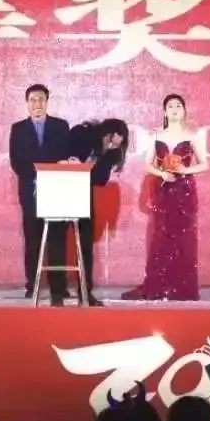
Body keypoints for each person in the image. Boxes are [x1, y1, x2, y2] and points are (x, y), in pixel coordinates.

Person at [123, 93, 207, 301]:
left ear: (184, 111)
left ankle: (183, 288)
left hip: (185, 191)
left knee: (184, 238)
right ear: (165, 112)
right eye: (171, 106)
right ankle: (159, 286)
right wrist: (162, 173)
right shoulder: (157, 136)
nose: (175, 109)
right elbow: (148, 164)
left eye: (178, 106)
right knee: (161, 237)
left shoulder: (192, 136)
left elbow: (205, 164)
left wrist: (184, 170)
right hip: (164, 191)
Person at [8, 83, 72, 302]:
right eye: (33, 100)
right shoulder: (18, 129)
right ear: (27, 103)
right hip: (30, 191)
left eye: (41, 99)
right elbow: (16, 161)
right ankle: (32, 284)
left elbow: (65, 155)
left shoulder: (61, 126)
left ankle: (59, 286)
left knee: (57, 238)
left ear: (47, 102)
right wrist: (38, 175)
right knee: (33, 239)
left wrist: (51, 174)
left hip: (56, 190)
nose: (37, 104)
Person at [64, 118, 128, 307]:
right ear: (106, 133)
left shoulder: (111, 153)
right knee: (56, 239)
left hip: (83, 194)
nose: (111, 145)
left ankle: (85, 292)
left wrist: (107, 154)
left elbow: (100, 179)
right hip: (60, 189)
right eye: (109, 140)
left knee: (86, 244)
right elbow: (66, 159)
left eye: (116, 144)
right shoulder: (81, 133)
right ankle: (57, 291)